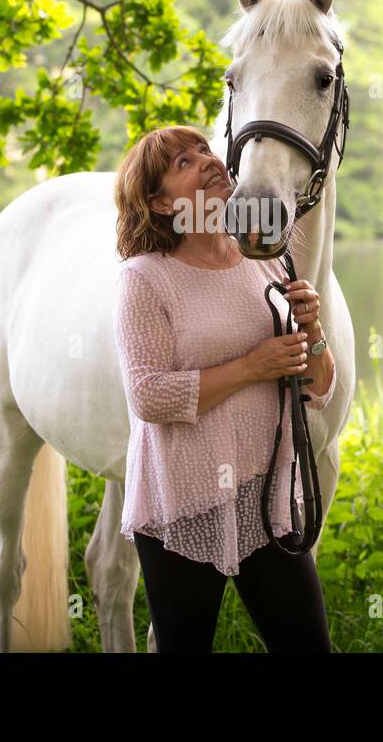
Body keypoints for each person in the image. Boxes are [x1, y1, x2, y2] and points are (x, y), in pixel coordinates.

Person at [112, 124, 336, 652]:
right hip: (183, 502)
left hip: (268, 497)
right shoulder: (145, 278)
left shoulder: (270, 260)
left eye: (205, 150)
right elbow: (149, 397)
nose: (208, 161)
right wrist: (253, 366)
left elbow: (319, 387)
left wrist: (313, 331)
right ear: (161, 204)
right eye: (183, 164)